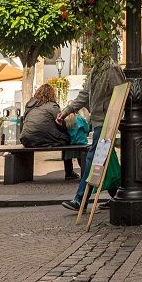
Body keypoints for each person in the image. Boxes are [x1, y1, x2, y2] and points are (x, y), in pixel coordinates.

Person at [58, 60, 126, 212]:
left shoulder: (111, 68)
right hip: (99, 123)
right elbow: (84, 95)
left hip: (106, 122)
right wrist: (67, 111)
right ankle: (117, 194)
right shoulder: (96, 69)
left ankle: (80, 199)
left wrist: (116, 117)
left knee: (93, 160)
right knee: (106, 161)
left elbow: (121, 92)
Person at [20, 84, 77, 180]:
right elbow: (62, 124)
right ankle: (69, 172)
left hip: (26, 139)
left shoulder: (29, 106)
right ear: (51, 94)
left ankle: (22, 175)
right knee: (67, 139)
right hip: (44, 139)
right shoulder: (52, 106)